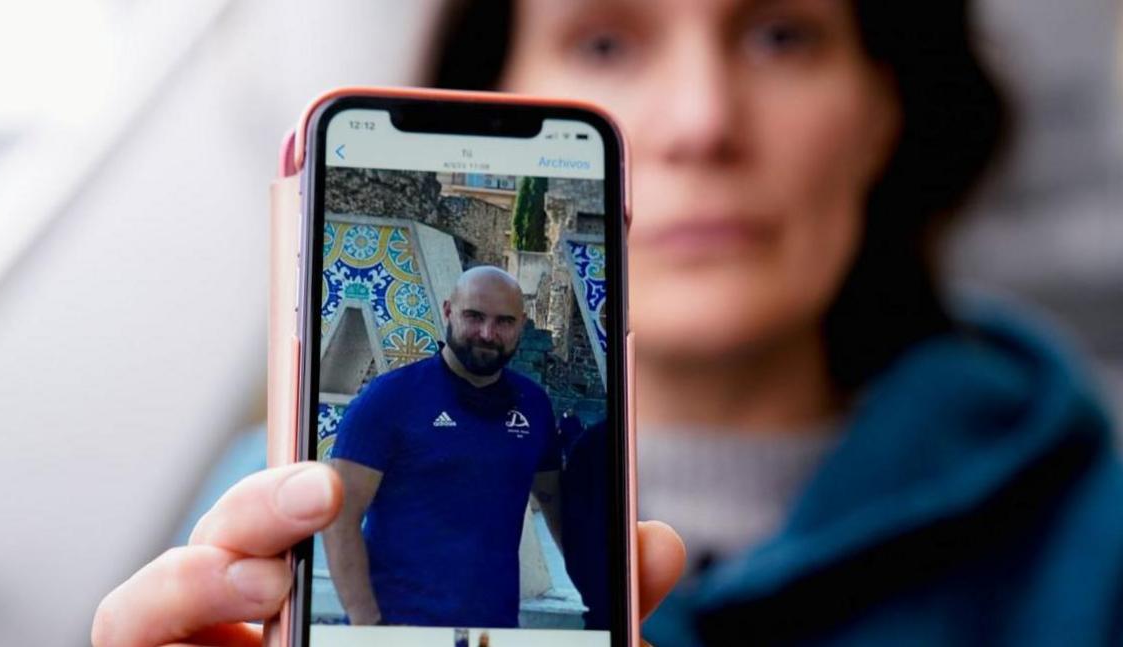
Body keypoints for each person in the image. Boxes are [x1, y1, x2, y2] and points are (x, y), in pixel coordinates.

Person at [94, 0, 1123, 645]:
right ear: (487, 100)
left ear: (887, 107)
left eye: (780, 34)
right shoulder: (271, 521)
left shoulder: (1099, 523)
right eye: (603, 38)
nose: (699, 120)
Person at [322, 265, 562, 627]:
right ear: (449, 311)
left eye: (504, 322)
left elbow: (558, 505)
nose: (487, 333)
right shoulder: (389, 399)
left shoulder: (534, 405)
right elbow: (341, 515)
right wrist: (365, 623)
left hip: (488, 632)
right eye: (474, 316)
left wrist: (604, 593)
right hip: (398, 629)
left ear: (521, 325)